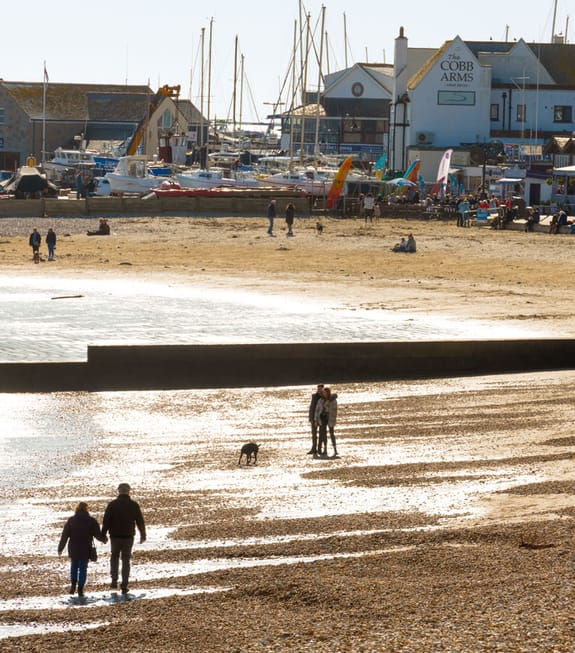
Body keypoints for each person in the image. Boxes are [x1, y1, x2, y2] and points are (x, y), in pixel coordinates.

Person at [102, 483, 146, 594]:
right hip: (128, 536)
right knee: (126, 560)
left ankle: (114, 580)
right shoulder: (133, 505)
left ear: (118, 491)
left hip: (115, 536)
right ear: (128, 491)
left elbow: (106, 521)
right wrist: (143, 535)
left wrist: (103, 535)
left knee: (114, 557)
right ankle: (124, 585)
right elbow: (140, 521)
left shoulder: (112, 504)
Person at [58, 502, 106, 597]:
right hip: (85, 547)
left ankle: (72, 586)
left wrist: (60, 548)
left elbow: (65, 536)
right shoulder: (91, 520)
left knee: (74, 567)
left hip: (73, 547)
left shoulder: (71, 520)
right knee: (83, 568)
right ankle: (80, 589)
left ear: (77, 509)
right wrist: (103, 539)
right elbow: (97, 534)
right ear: (87, 509)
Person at [315, 386, 338, 457]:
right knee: (323, 434)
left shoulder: (333, 400)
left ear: (328, 393)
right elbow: (317, 410)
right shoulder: (320, 400)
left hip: (330, 418)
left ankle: (335, 449)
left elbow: (335, 409)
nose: (324, 394)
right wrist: (316, 420)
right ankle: (325, 449)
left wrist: (327, 408)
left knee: (332, 434)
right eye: (323, 392)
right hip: (323, 418)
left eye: (325, 392)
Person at [307, 383, 324, 455]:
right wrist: (310, 418)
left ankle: (319, 449)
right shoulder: (314, 396)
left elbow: (334, 396)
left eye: (321, 389)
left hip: (322, 418)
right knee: (314, 434)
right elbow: (311, 408)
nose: (319, 390)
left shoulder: (325, 396)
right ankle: (314, 448)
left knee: (321, 434)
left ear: (322, 389)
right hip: (314, 418)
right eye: (318, 389)